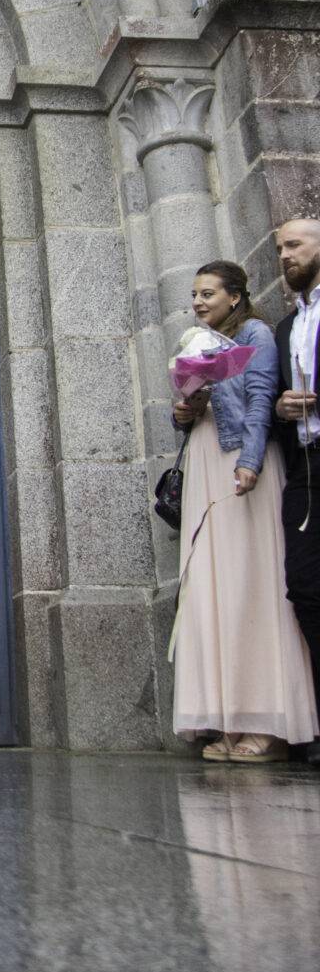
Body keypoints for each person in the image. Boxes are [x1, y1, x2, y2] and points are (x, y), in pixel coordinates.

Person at [170, 259, 317, 761]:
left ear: (235, 296)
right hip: (207, 464)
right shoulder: (196, 341)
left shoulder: (252, 332)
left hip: (241, 463)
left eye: (208, 293)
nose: (198, 301)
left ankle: (269, 724)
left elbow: (260, 401)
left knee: (251, 586)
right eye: (194, 294)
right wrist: (183, 410)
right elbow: (193, 411)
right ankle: (229, 721)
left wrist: (251, 462)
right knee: (215, 589)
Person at [273, 217, 320, 769]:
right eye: (280, 248)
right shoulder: (286, 328)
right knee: (306, 590)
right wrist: (283, 411)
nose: (285, 255)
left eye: (294, 245)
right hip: (306, 470)